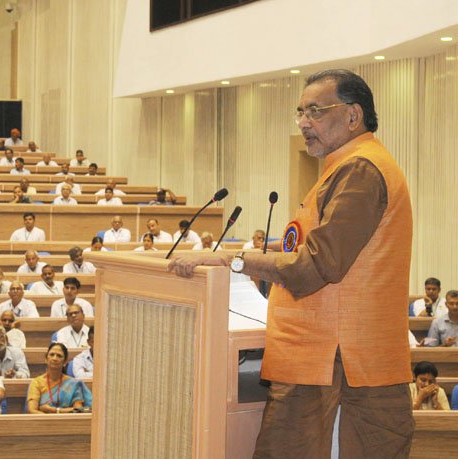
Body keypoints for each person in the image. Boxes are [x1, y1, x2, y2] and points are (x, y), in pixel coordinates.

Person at [169, 69, 416, 456]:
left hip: (337, 363)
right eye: (300, 112)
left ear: (353, 116)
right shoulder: (348, 164)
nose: (303, 122)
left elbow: (316, 267)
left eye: (315, 111)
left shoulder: (360, 170)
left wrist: (234, 260)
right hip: (325, 359)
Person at [27, 342, 92, 414]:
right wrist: (51, 421)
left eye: (59, 356)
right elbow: (32, 410)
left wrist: (54, 411)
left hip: (68, 422)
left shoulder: (73, 384)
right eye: (51, 355)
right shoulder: (37, 382)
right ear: (46, 359)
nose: (55, 358)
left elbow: (78, 410)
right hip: (42, 423)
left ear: (65, 362)